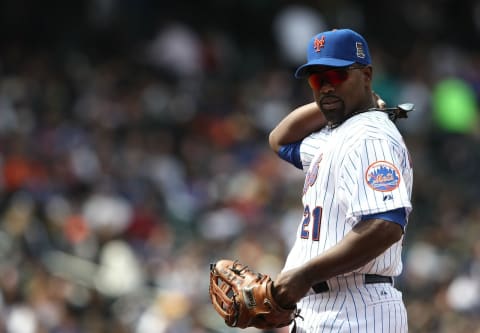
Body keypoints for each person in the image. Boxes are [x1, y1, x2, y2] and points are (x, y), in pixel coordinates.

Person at [268, 28, 413, 332]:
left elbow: (385, 225)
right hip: (327, 309)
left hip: (356, 309)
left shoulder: (369, 135)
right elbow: (280, 141)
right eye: (317, 80)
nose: (325, 88)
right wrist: (338, 99)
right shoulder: (339, 136)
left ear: (366, 75)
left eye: (336, 77)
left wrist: (305, 275)